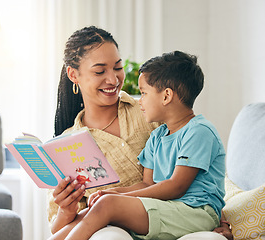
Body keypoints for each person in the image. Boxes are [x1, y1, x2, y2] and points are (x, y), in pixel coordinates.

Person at [48, 26, 233, 240]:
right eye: (100, 71)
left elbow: (200, 178)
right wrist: (66, 209)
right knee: (102, 215)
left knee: (105, 204)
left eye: (118, 67)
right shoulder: (67, 144)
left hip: (169, 216)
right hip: (120, 227)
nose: (113, 79)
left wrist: (224, 219)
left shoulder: (154, 115)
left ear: (165, 96)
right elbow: (148, 183)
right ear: (73, 74)